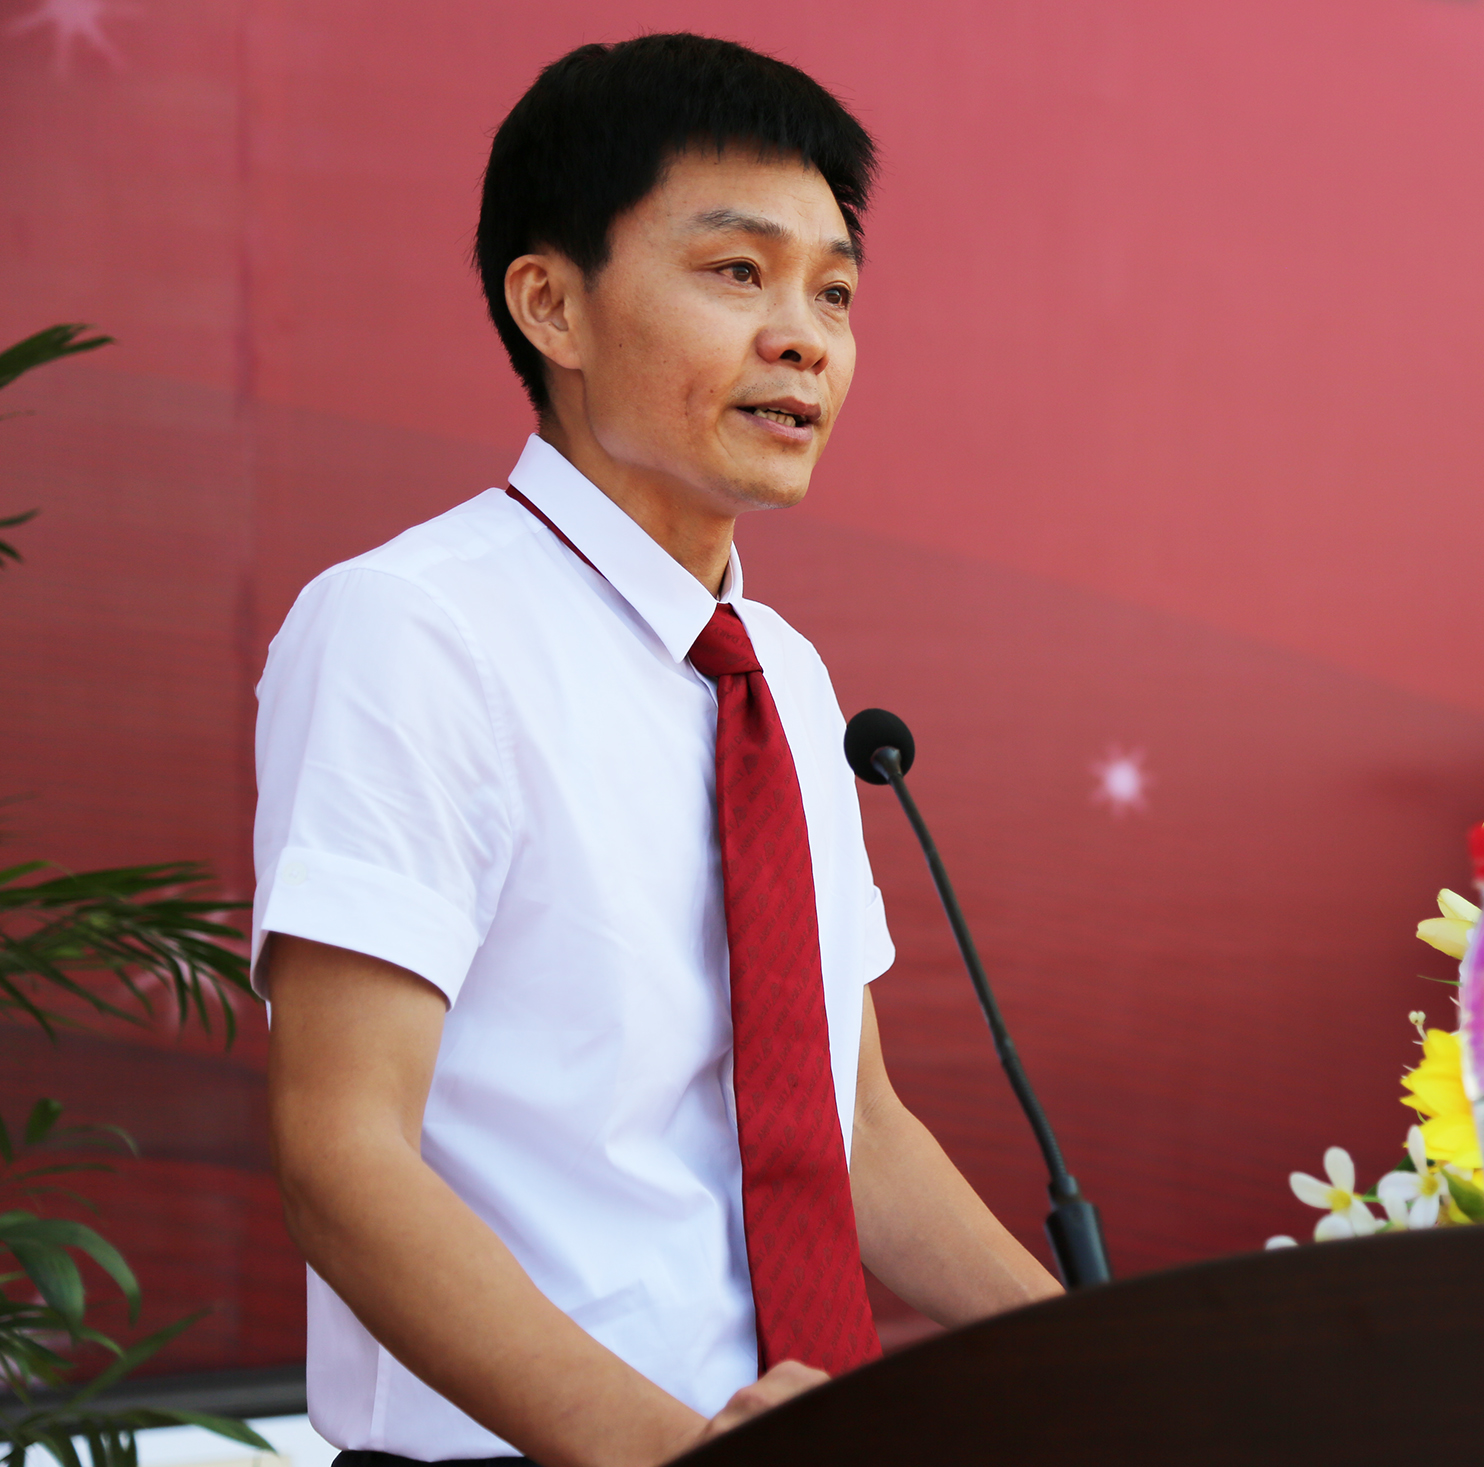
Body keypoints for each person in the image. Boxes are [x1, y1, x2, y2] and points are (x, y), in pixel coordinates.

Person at [253, 34, 1061, 1467]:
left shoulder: (782, 677)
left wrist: (1118, 1369)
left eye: (834, 292)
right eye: (738, 272)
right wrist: (676, 1453)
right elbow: (343, 1156)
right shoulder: (414, 628)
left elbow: (855, 1133)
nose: (804, 339)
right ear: (553, 305)